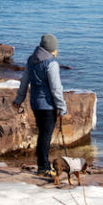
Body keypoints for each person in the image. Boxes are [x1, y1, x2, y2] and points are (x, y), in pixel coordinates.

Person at [13, 33, 67, 177]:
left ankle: (42, 165)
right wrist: (62, 107)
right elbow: (56, 89)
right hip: (48, 105)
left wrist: (18, 100)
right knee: (45, 136)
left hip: (35, 104)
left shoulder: (31, 60)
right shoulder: (52, 63)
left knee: (42, 134)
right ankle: (44, 167)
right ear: (52, 48)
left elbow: (24, 82)